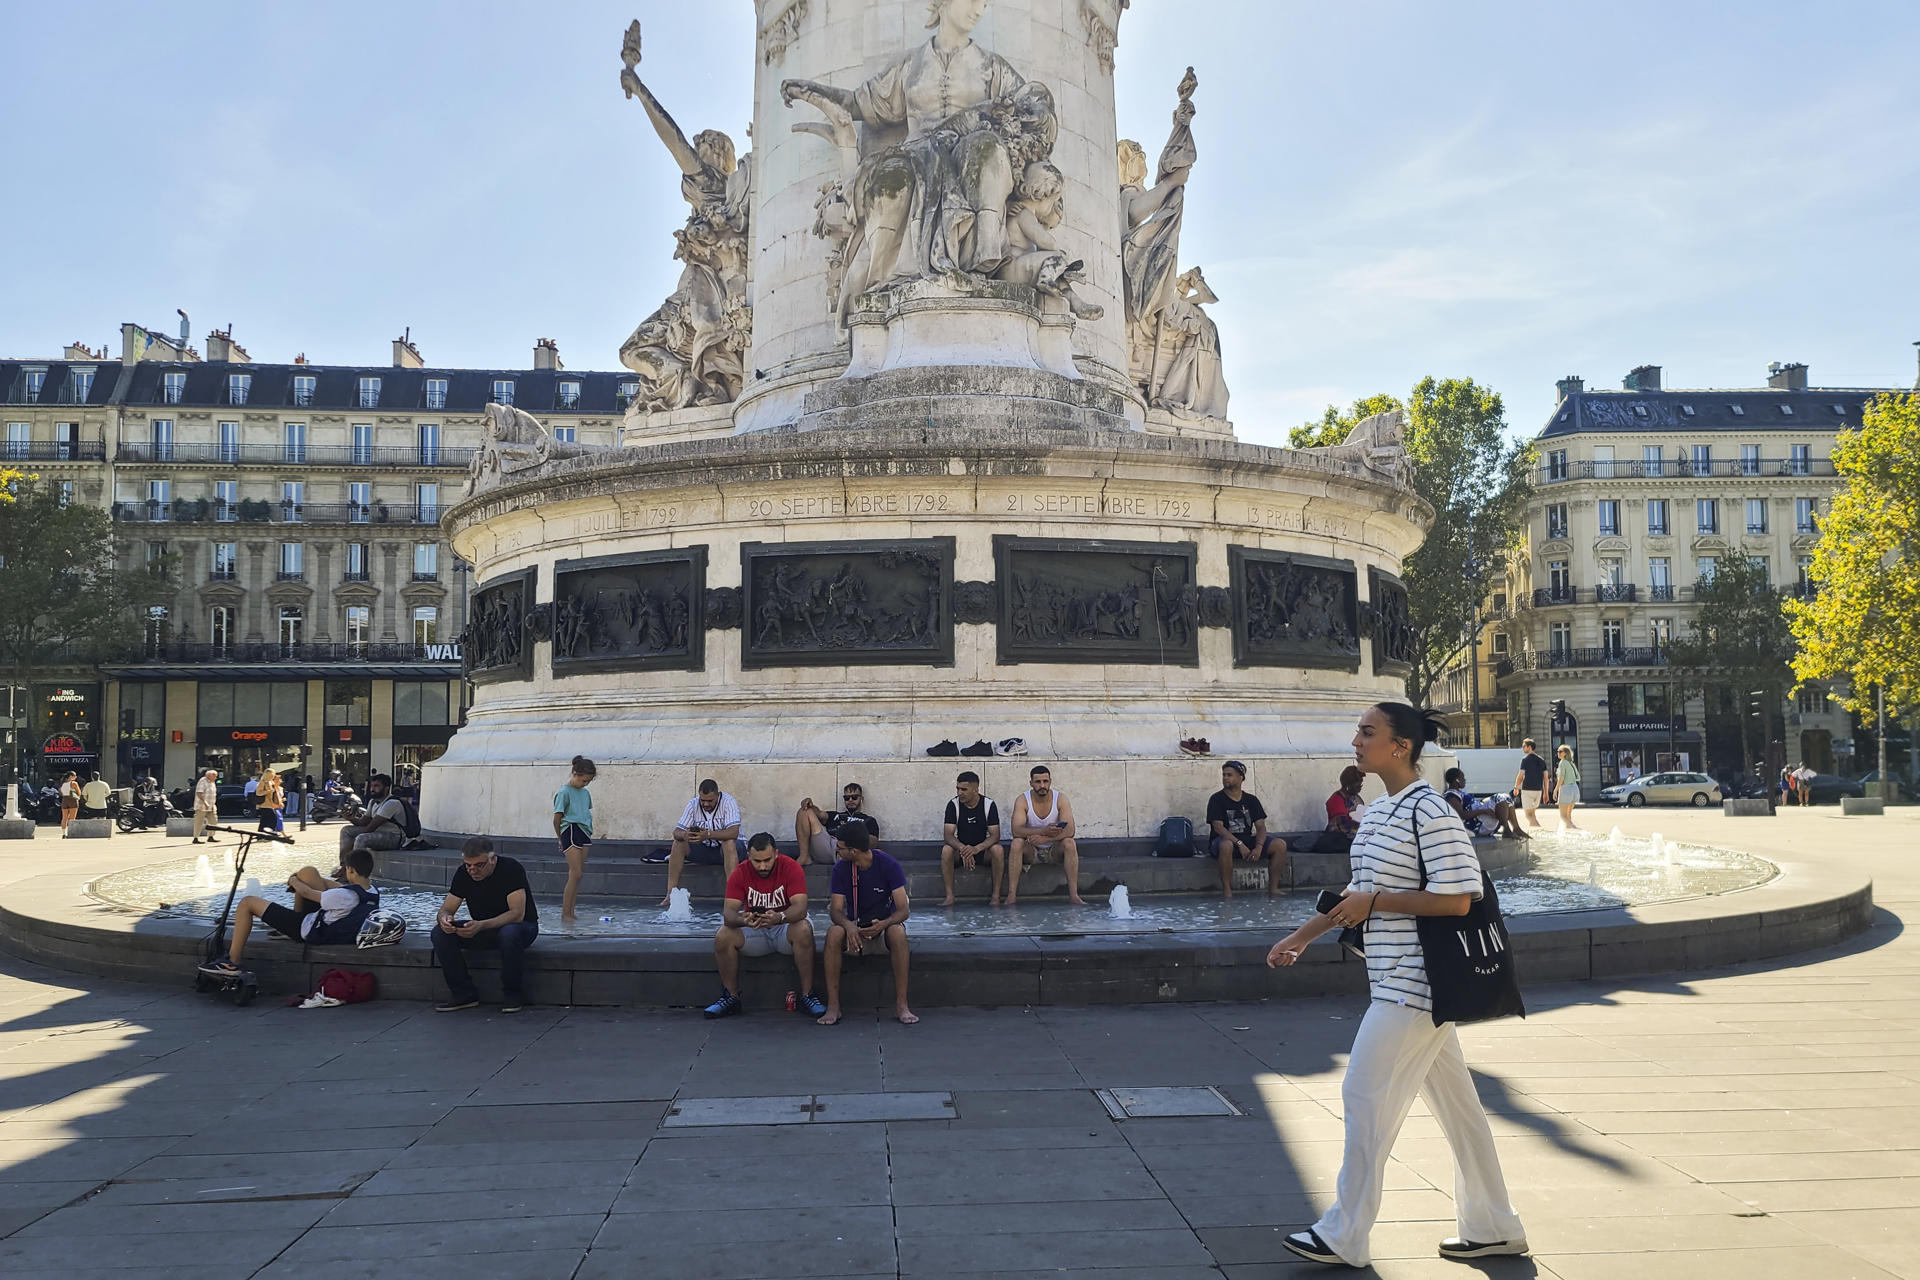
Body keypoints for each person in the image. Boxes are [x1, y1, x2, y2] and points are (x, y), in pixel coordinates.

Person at [1266, 702, 1526, 1267]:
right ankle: (1494, 1225)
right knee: (1461, 1112)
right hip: (1393, 975)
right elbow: (1355, 893)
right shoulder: (1381, 812)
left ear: (1400, 746)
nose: (1355, 740)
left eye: (1367, 732)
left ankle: (1344, 1232)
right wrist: (1303, 936)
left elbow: (1459, 899)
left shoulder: (1431, 811)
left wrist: (1376, 902)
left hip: (1417, 984)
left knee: (1363, 1096)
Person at [201, 849, 381, 975]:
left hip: (307, 929)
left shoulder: (344, 895)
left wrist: (293, 880)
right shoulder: (372, 892)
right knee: (309, 873)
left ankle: (232, 961)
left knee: (247, 903)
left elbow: (306, 893)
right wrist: (309, 878)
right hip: (328, 925)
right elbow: (336, 889)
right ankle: (289, 921)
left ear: (351, 870)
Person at [705, 831, 824, 1018]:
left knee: (803, 928)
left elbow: (800, 909)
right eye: (756, 861)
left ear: (776, 853)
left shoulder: (790, 867)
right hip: (756, 930)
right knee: (723, 935)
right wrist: (742, 919)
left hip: (784, 927)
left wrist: (779, 917)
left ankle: (808, 995)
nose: (762, 866)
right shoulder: (741, 871)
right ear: (749, 857)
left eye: (767, 860)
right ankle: (731, 997)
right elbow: (728, 913)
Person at [817, 827, 915, 1026]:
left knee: (898, 932)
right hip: (855, 928)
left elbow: (904, 910)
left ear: (854, 851)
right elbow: (835, 910)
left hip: (884, 927)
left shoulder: (888, 864)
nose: (837, 851)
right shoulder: (841, 869)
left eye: (840, 848)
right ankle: (833, 1006)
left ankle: (902, 1004)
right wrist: (849, 926)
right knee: (834, 932)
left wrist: (884, 924)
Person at [432, 836, 538, 1013]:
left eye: (479, 865)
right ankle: (463, 993)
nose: (472, 870)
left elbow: (517, 914)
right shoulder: (463, 873)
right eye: (468, 865)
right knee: (439, 933)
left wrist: (481, 925)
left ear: (492, 859)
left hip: (521, 927)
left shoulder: (511, 869)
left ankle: (513, 994)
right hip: (484, 928)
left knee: (509, 933)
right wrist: (445, 919)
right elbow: (446, 908)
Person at [1206, 761, 1289, 898]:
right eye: (1224, 775)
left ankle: (1274, 888)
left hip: (1247, 840)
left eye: (1229, 775)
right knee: (1226, 845)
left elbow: (1261, 826)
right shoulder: (1216, 799)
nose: (1225, 778)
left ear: (1241, 777)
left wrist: (1259, 847)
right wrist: (1239, 844)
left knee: (1280, 845)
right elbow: (1218, 827)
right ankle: (1227, 890)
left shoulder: (1251, 800)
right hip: (1224, 841)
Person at [1006, 764, 1082, 906]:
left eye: (1045, 781)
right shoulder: (1023, 800)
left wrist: (1046, 838)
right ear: (1031, 783)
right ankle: (1011, 895)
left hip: (1055, 850)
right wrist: (1042, 831)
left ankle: (1074, 895)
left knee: (1070, 843)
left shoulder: (1061, 799)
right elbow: (1016, 830)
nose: (1042, 785)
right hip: (1031, 850)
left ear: (1050, 782)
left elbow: (1070, 830)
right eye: (1038, 782)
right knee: (1016, 843)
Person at [661, 779, 743, 905]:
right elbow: (676, 832)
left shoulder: (728, 802)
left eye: (710, 801)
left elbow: (734, 832)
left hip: (733, 851)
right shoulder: (693, 804)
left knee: (728, 842)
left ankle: (732, 897)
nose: (705, 804)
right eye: (702, 800)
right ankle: (670, 895)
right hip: (705, 850)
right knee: (679, 842)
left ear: (718, 795)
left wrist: (708, 834)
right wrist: (685, 834)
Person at [939, 771, 1005, 906]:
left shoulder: (988, 805)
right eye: (958, 789)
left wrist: (976, 849)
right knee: (946, 850)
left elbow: (995, 836)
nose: (959, 793)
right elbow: (948, 835)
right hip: (961, 852)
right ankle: (950, 896)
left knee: (998, 849)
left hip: (982, 851)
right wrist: (964, 849)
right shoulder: (953, 805)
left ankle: (996, 896)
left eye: (964, 789)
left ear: (975, 790)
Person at [793, 782, 880, 867]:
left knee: (849, 850)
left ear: (861, 799)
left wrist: (847, 845)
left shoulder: (869, 820)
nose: (850, 800)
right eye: (847, 798)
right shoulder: (835, 815)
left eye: (854, 797)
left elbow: (871, 843)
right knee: (804, 810)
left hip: (848, 849)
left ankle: (843, 859)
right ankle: (804, 856)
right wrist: (809, 804)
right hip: (827, 844)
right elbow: (818, 813)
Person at [553, 755, 597, 923]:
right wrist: (560, 838)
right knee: (575, 873)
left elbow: (585, 811)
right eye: (584, 780)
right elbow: (557, 818)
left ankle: (571, 911)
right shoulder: (564, 792)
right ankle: (565, 913)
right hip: (570, 829)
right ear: (575, 774)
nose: (585, 784)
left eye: (588, 781)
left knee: (578, 875)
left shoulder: (585, 793)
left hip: (584, 831)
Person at [1442, 767, 1527, 840]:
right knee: (1501, 798)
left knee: (1505, 798)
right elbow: (1461, 815)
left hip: (1481, 818)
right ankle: (1507, 830)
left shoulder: (1458, 792)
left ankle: (1516, 828)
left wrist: (1486, 801)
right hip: (1477, 823)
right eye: (1462, 778)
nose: (1464, 780)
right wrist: (1484, 811)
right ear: (1457, 780)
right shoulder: (1452, 796)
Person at [337, 773, 407, 859]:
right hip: (377, 833)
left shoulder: (392, 803)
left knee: (361, 838)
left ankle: (356, 868)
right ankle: (344, 865)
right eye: (372, 786)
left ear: (386, 788)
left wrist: (349, 846)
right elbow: (364, 822)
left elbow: (371, 827)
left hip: (393, 838)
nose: (372, 789)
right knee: (346, 830)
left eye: (376, 786)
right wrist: (350, 818)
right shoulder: (373, 802)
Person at [1324, 765, 1368, 853]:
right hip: (1339, 838)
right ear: (1348, 785)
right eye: (1357, 785)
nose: (1360, 787)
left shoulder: (1356, 798)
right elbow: (1340, 824)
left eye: (1361, 784)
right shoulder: (1336, 799)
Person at [1512, 740, 1549, 830]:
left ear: (1529, 747)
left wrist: (1516, 787)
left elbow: (1520, 775)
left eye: (1524, 746)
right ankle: (1533, 832)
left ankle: (1540, 830)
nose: (1523, 748)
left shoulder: (1525, 759)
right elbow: (1546, 778)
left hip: (1527, 790)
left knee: (1528, 815)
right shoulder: (1541, 760)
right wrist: (1546, 793)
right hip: (1538, 790)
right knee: (1532, 814)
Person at [1551, 745, 1581, 830]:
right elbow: (1578, 777)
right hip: (1574, 788)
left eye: (1560, 751)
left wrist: (1555, 790)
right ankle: (1570, 829)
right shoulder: (1571, 763)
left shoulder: (1562, 763)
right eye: (1557, 751)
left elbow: (1561, 778)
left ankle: (1574, 828)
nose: (1558, 753)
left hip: (1566, 789)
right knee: (1568, 815)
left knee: (1563, 816)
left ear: (1565, 753)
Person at [192, 768, 220, 844]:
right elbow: (199, 793)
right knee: (199, 822)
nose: (216, 778)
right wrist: (205, 802)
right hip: (202, 806)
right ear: (209, 776)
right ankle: (196, 838)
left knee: (213, 821)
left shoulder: (212, 782)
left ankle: (210, 836)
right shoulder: (202, 781)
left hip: (211, 806)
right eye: (214, 776)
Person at [254, 768, 285, 833]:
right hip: (265, 804)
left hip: (271, 804)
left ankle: (262, 833)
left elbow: (275, 793)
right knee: (272, 818)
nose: (273, 776)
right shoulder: (263, 782)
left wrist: (279, 801)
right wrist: (268, 791)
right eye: (272, 775)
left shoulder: (271, 782)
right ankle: (269, 831)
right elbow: (258, 792)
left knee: (265, 820)